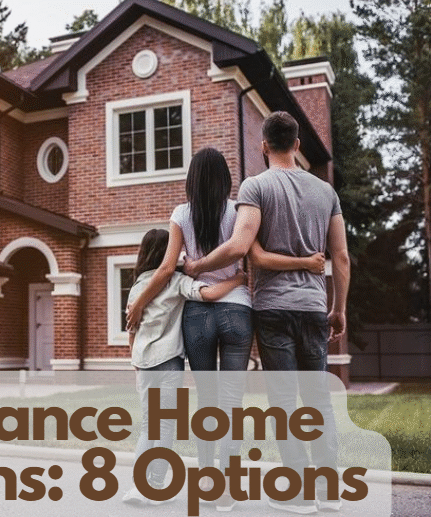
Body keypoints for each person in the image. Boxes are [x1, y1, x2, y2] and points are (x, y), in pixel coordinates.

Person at [126, 147, 324, 511]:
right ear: (226, 179)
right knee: (231, 403)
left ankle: (208, 484)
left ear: (191, 180)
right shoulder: (239, 210)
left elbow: (167, 269)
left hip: (198, 315)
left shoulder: (181, 214)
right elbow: (252, 255)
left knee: (207, 401)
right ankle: (227, 490)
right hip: (237, 310)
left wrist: (139, 302)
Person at [183, 112, 350, 514]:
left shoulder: (255, 186)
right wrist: (338, 308)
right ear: (297, 145)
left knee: (284, 400)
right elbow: (341, 257)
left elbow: (242, 248)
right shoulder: (326, 191)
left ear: (263, 146)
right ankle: (328, 490)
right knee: (318, 399)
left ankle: (298, 493)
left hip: (273, 307)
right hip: (313, 307)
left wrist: (196, 266)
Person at [122, 228, 246, 506]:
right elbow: (209, 294)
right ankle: (154, 485)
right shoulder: (176, 282)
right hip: (168, 362)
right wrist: (238, 279)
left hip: (143, 363)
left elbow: (132, 330)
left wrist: (135, 361)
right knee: (165, 426)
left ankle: (139, 486)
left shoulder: (138, 286)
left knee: (148, 427)